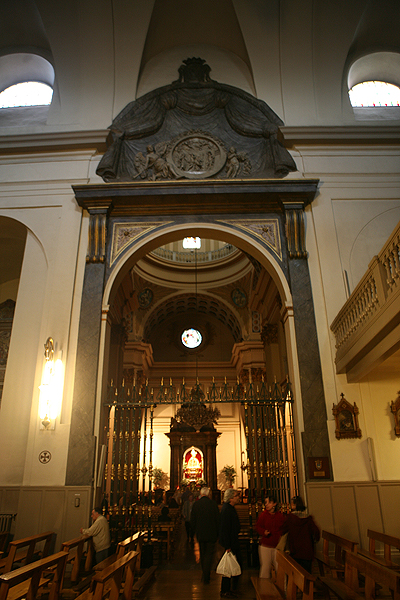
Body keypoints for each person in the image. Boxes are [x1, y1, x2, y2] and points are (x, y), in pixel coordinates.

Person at [281, 496, 320, 573]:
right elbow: (316, 532)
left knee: (295, 574)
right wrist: (314, 540)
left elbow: (282, 530)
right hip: (307, 551)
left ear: (294, 505)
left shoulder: (290, 518)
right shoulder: (308, 519)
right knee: (307, 573)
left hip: (294, 551)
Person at [190, 486, 220, 584]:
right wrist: (218, 532)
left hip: (200, 533)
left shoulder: (196, 504)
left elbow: (192, 520)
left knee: (203, 553)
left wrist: (194, 532)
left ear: (201, 494)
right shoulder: (213, 504)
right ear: (208, 494)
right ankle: (206, 574)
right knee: (209, 554)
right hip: (211, 533)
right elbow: (217, 519)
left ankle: (205, 573)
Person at [255, 495, 286, 579]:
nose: (267, 504)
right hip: (266, 545)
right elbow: (258, 526)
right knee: (265, 567)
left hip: (277, 546)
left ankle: (283, 588)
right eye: (266, 502)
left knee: (279, 568)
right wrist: (263, 532)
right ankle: (264, 589)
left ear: (274, 504)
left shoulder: (280, 516)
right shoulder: (263, 515)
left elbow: (284, 528)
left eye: (269, 502)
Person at [219, 488, 242, 598]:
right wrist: (227, 545)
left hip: (233, 540)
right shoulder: (227, 510)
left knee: (234, 564)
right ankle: (226, 589)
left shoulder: (230, 508)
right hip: (231, 543)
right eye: (237, 495)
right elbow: (225, 529)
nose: (238, 497)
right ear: (231, 498)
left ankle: (231, 588)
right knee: (229, 566)